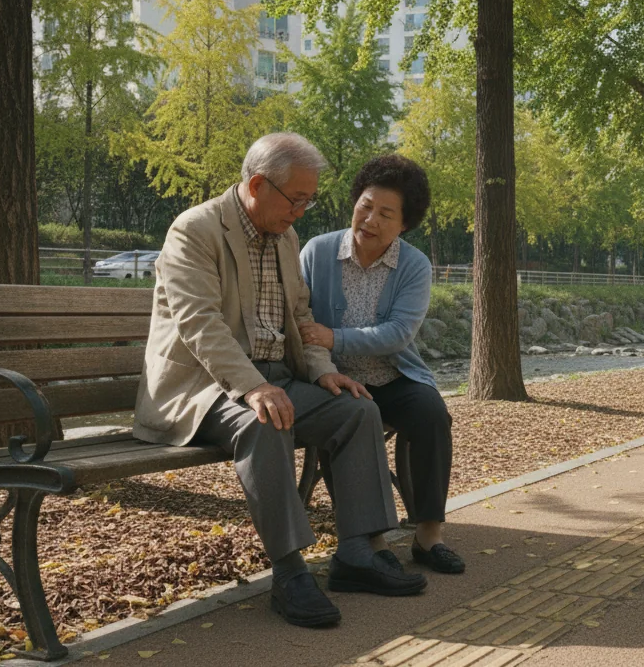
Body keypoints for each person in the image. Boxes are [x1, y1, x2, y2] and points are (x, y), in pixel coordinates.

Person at [134, 133, 426, 629]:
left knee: (358, 410)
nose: (303, 211)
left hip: (278, 377)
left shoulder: (285, 238)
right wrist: (252, 387)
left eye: (309, 200)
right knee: (264, 422)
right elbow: (200, 324)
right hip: (204, 389)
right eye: (297, 199)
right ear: (256, 185)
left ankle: (356, 553)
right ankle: (289, 573)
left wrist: (324, 372)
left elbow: (299, 315)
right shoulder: (195, 231)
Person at [300, 155, 465, 575]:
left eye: (385, 214)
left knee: (431, 414)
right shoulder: (317, 252)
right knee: (355, 416)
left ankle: (429, 535)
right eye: (365, 206)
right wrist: (324, 353)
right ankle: (369, 539)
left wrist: (333, 335)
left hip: (392, 377)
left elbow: (398, 334)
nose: (370, 219)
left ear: (404, 225)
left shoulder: (413, 265)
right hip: (331, 380)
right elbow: (298, 319)